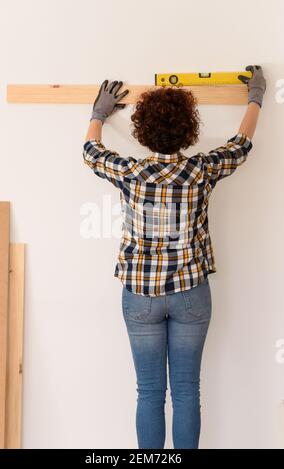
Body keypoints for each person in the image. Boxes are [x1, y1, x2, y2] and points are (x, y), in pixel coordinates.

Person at [82, 66, 266, 449]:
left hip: (140, 295)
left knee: (149, 392)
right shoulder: (201, 170)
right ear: (189, 130)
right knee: (186, 390)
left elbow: (91, 152)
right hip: (191, 294)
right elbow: (242, 144)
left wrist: (99, 114)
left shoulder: (130, 172)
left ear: (142, 131)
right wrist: (255, 97)